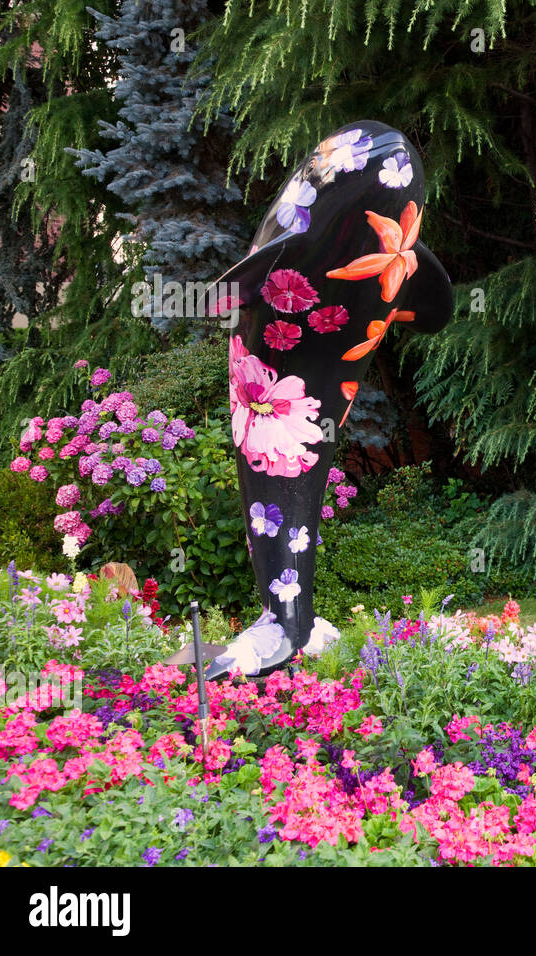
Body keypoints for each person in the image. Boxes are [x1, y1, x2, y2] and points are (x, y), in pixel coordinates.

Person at [174, 121, 454, 680]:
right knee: (278, 484)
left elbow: (429, 306)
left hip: (316, 392)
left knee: (294, 484)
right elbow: (434, 312)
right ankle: (284, 619)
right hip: (267, 393)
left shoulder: (395, 251)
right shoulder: (293, 243)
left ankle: (288, 621)